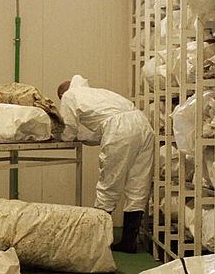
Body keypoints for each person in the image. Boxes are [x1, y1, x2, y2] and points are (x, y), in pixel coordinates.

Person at [58, 75, 154, 253]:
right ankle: (128, 242)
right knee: (137, 185)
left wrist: (59, 137)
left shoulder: (70, 96)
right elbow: (103, 127)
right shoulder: (99, 94)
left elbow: (68, 128)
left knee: (109, 184)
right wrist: (84, 138)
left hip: (120, 130)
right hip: (142, 124)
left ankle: (97, 242)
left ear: (63, 93)